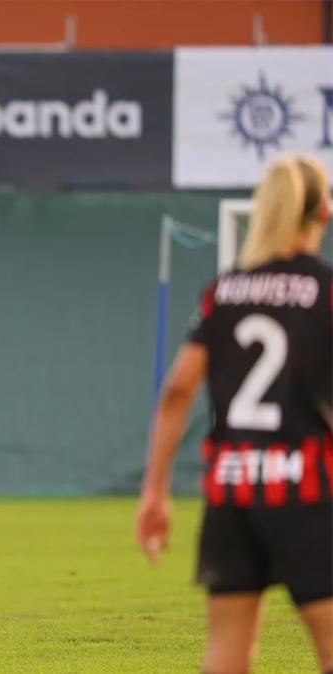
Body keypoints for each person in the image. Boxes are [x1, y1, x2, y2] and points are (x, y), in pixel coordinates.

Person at [136, 154, 332, 674]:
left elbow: (177, 389)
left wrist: (155, 491)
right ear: (324, 213)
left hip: (232, 489)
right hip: (305, 489)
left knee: (226, 655)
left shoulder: (224, 292)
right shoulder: (324, 290)